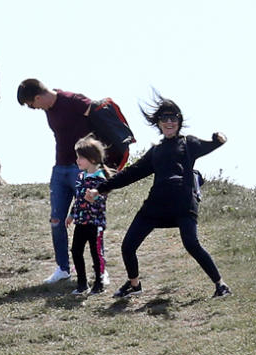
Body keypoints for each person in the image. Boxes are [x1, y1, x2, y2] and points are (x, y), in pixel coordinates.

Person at [85, 94, 232, 299]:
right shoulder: (156, 151)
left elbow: (210, 144)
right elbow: (131, 173)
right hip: (156, 205)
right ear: (158, 123)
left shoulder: (188, 143)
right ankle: (134, 285)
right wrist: (100, 189)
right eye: (164, 118)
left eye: (173, 118)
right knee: (128, 246)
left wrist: (218, 139)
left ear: (179, 121)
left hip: (182, 203)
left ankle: (221, 285)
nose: (169, 122)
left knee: (191, 243)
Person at [17, 79, 125, 285]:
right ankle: (63, 269)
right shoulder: (48, 109)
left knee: (90, 220)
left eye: (32, 104)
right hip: (60, 170)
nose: (33, 108)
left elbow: (101, 115)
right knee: (56, 221)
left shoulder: (72, 100)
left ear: (38, 97)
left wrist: (100, 161)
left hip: (81, 170)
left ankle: (100, 272)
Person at [66, 136, 111, 295]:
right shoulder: (80, 177)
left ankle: (99, 284)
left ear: (92, 158)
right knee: (76, 251)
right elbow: (77, 199)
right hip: (81, 222)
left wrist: (95, 197)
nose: (77, 160)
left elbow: (103, 198)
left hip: (95, 223)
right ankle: (82, 283)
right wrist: (71, 214)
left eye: (81, 157)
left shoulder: (100, 178)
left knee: (96, 252)